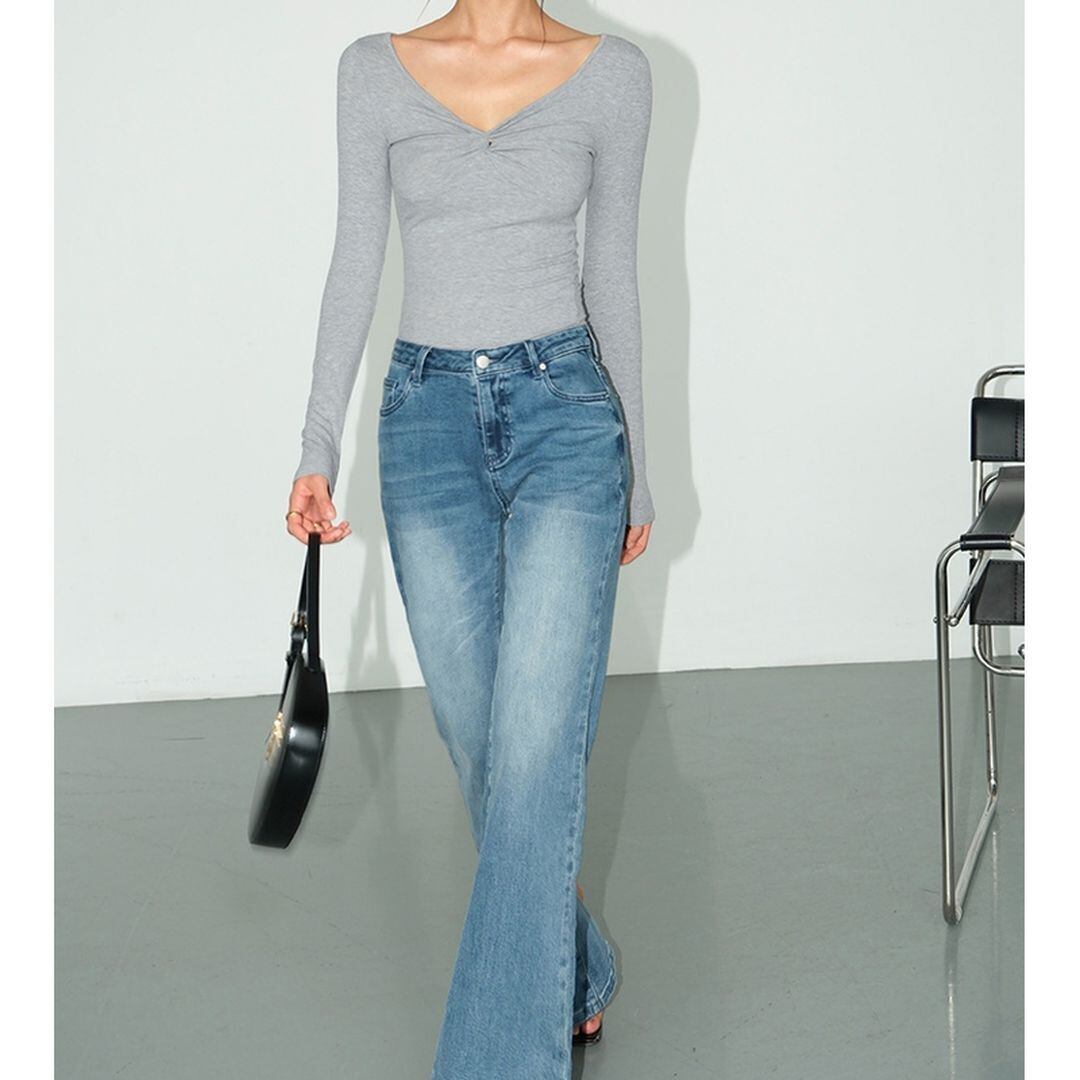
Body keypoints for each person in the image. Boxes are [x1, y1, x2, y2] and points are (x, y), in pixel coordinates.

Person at [284, 3, 654, 1077]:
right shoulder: (372, 70)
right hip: (425, 422)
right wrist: (316, 445)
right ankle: (576, 965)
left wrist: (640, 464)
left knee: (538, 746)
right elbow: (355, 257)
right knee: (482, 739)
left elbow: (614, 275)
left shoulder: (614, 74)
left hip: (567, 415)